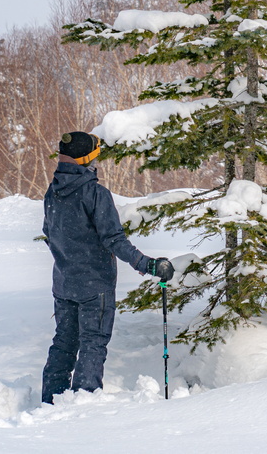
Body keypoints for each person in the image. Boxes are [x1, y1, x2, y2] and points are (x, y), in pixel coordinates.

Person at [40, 131, 175, 405]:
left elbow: (49, 233)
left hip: (64, 284)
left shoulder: (52, 192)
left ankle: (50, 402)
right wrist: (147, 264)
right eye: (95, 155)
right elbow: (114, 239)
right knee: (92, 343)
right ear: (85, 158)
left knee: (64, 344)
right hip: (95, 286)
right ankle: (83, 402)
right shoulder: (95, 193)